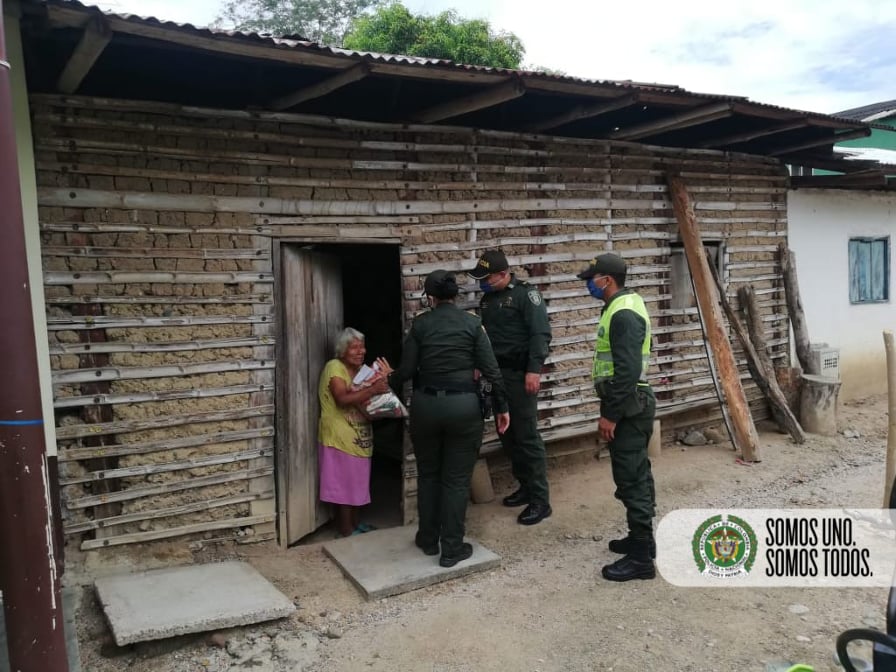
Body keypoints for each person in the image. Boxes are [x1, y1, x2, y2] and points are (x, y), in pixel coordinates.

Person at [383, 270, 510, 568]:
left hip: (426, 406)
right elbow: (491, 370)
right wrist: (502, 407)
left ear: (430, 297)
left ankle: (428, 539)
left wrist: (389, 379)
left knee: (428, 474)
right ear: (455, 295)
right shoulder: (472, 324)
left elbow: (407, 371)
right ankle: (452, 548)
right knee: (456, 480)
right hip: (464, 407)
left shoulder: (421, 325)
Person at [577, 253, 657, 582]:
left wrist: (610, 415)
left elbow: (627, 370)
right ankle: (643, 541)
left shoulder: (622, 313)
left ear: (607, 280)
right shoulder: (624, 305)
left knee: (631, 479)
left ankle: (641, 559)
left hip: (628, 406)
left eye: (591, 279)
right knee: (637, 473)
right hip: (631, 402)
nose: (588, 284)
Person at [468, 250, 552, 525]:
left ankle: (540, 499)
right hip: (496, 376)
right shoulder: (488, 300)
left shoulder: (526, 295)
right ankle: (525, 486)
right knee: (507, 434)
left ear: (503, 274)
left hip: (520, 374)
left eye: (486, 278)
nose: (483, 283)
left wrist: (534, 370)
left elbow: (540, 333)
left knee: (526, 435)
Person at [317, 327, 391, 537]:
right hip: (339, 436)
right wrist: (372, 389)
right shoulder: (334, 367)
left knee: (357, 482)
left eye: (362, 347)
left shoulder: (361, 371)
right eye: (354, 348)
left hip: (359, 435)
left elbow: (375, 399)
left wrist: (384, 379)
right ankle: (346, 530)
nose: (361, 352)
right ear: (342, 351)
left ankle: (355, 524)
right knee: (344, 484)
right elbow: (342, 399)